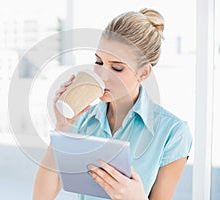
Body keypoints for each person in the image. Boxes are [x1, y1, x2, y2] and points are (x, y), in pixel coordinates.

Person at [33, 8, 192, 200]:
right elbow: (42, 197)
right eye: (99, 62)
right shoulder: (81, 121)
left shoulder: (172, 132)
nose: (102, 75)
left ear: (143, 73)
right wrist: (62, 128)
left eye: (117, 68)